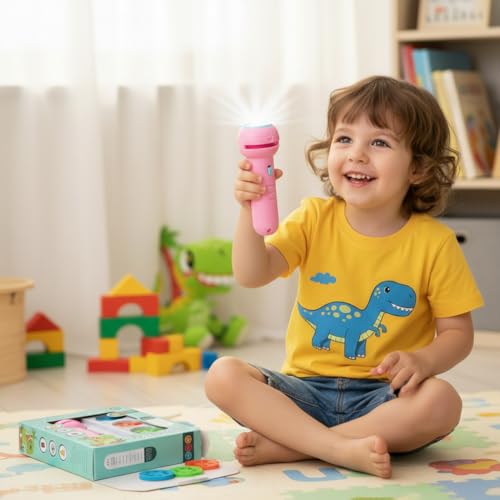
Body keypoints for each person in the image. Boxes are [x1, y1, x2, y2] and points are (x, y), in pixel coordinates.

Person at [204, 75, 483, 478]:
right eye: (345, 139)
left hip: (384, 396)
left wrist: (424, 360)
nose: (357, 154)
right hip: (304, 391)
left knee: (443, 401)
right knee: (222, 375)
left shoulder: (435, 243)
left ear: (419, 168)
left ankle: (295, 445)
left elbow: (458, 334)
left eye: (379, 143)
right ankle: (336, 447)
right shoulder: (313, 218)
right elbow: (251, 274)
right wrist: (250, 210)